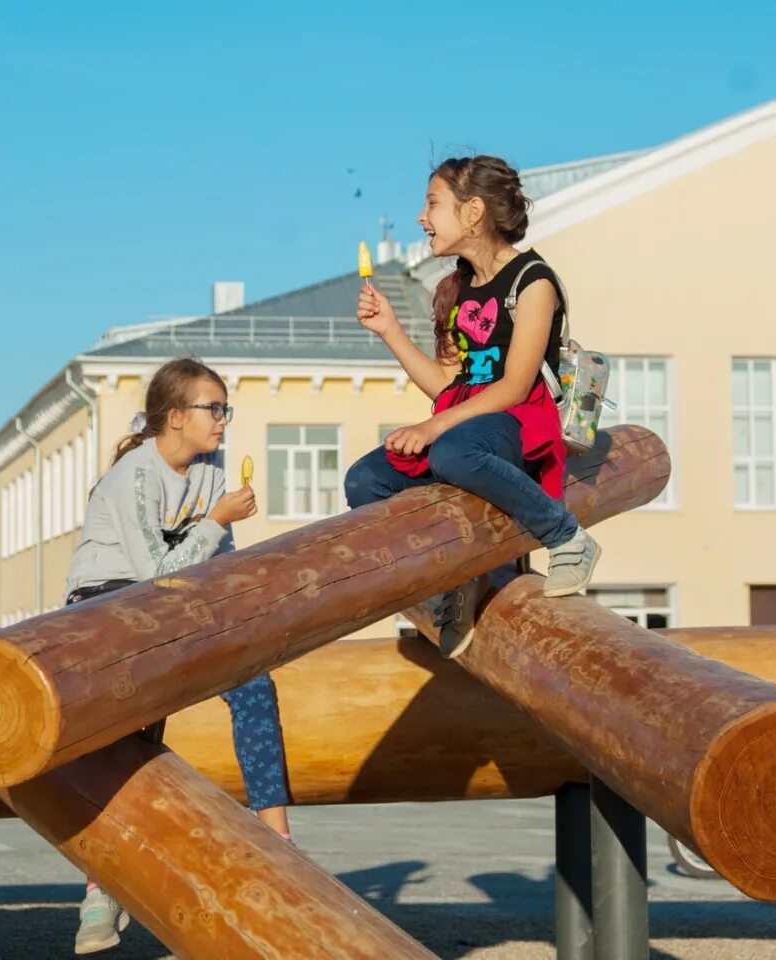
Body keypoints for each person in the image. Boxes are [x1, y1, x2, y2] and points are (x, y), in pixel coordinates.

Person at [62, 357, 291, 954]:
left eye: (225, 409)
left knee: (253, 683)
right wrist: (215, 522)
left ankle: (279, 840)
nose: (222, 421)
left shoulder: (211, 473)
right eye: (212, 409)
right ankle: (100, 886)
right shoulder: (134, 476)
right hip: (108, 603)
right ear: (173, 417)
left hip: (176, 605)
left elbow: (214, 565)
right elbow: (151, 575)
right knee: (131, 737)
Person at [346, 155, 601, 648]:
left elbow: (514, 384)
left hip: (514, 421)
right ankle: (456, 575)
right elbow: (447, 385)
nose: (422, 217)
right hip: (464, 424)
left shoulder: (533, 281)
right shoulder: (458, 288)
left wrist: (433, 429)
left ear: (474, 212)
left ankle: (565, 535)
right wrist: (390, 331)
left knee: (452, 451)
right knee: (366, 480)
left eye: (432, 203)